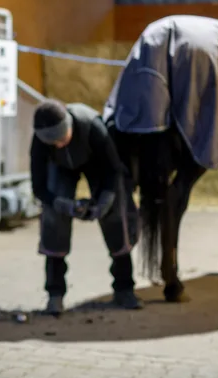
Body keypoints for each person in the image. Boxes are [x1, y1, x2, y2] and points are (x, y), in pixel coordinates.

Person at [31, 99, 140, 314]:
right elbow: (38, 186)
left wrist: (104, 201)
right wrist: (61, 204)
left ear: (70, 126)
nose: (59, 144)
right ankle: (55, 293)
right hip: (61, 167)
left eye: (62, 138)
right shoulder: (41, 141)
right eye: (53, 143)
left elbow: (113, 169)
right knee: (53, 221)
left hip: (98, 165)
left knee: (115, 217)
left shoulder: (93, 127)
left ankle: (124, 288)